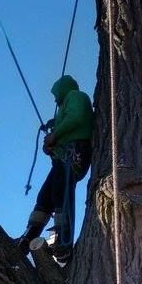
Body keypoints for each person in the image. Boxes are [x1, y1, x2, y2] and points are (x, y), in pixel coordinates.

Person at [17, 75, 93, 261]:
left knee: (61, 192)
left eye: (55, 94)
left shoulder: (76, 96)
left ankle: (63, 239)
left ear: (62, 89)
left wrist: (55, 135)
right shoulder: (62, 111)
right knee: (45, 196)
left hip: (75, 153)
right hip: (64, 156)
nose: (54, 99)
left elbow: (76, 118)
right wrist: (52, 146)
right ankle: (29, 236)